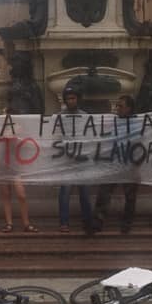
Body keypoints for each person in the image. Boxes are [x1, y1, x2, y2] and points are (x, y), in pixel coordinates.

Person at [94, 95, 139, 234]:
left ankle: (126, 224)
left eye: (120, 106)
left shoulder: (138, 123)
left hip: (129, 164)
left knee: (130, 197)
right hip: (113, 164)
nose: (117, 109)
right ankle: (97, 222)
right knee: (103, 193)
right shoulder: (112, 122)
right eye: (117, 106)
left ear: (129, 108)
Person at [57, 86, 96, 234]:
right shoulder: (60, 117)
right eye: (68, 98)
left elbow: (90, 136)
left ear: (78, 99)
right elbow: (57, 137)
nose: (71, 101)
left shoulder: (85, 116)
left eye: (73, 98)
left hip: (82, 160)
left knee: (84, 193)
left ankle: (87, 221)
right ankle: (64, 222)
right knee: (65, 192)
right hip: (67, 160)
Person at [0, 108, 38, 233]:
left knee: (21, 194)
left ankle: (26, 223)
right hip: (3, 164)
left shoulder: (19, 128)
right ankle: (9, 223)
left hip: (16, 165)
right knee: (6, 194)